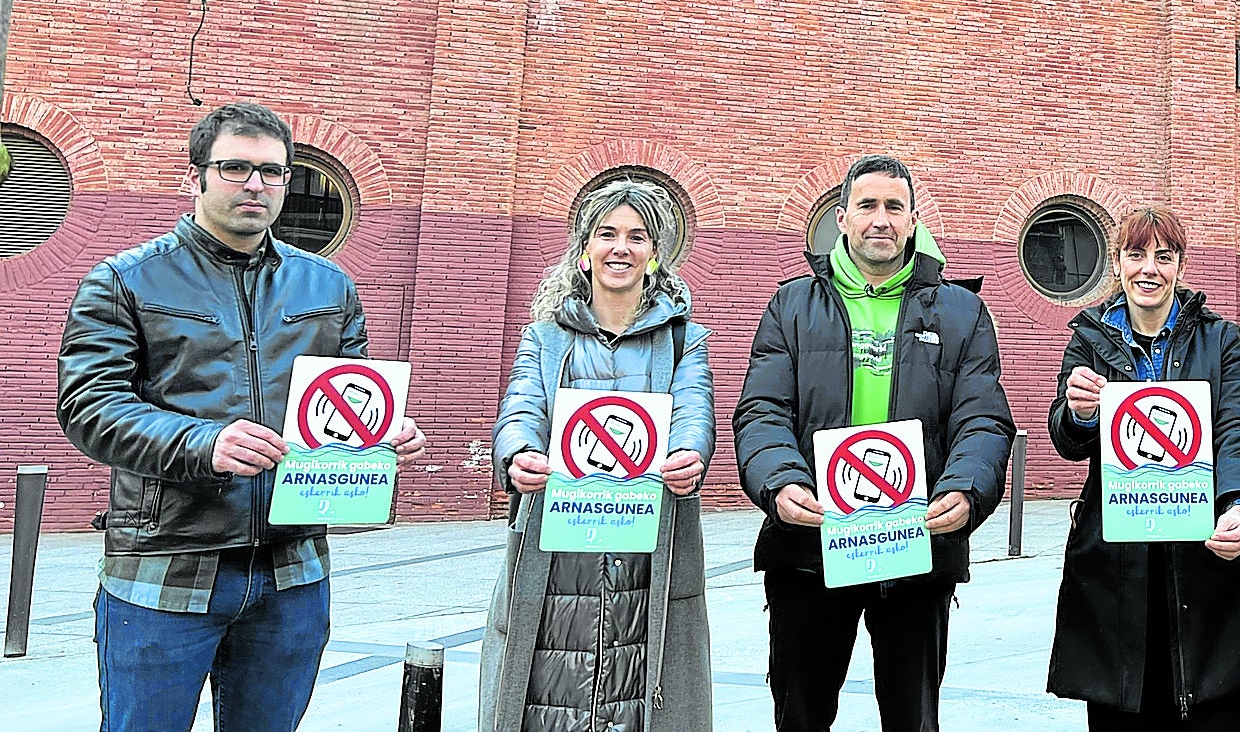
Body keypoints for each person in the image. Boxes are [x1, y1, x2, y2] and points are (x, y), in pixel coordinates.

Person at [56, 102, 428, 731]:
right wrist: (205, 444)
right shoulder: (125, 280)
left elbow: (354, 393)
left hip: (293, 568)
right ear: (195, 175)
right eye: (236, 167)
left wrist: (384, 434)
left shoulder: (328, 287)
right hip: (165, 562)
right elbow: (89, 405)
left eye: (273, 172)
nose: (256, 184)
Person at [733, 154, 1014, 732]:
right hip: (809, 548)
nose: (880, 219)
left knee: (912, 721)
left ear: (913, 220)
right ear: (841, 218)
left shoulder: (963, 313)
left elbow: (982, 419)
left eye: (894, 206)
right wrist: (781, 482)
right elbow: (762, 412)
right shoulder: (790, 306)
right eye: (866, 206)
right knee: (800, 716)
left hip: (917, 548)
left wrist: (966, 490)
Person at [480, 180, 716, 731]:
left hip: (649, 546)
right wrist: (518, 455)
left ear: (654, 253)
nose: (620, 248)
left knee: (643, 690)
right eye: (606, 234)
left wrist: (688, 456)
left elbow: (694, 411)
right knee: (545, 693)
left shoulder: (685, 339)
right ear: (584, 250)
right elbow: (520, 410)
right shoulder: (546, 337)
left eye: (637, 236)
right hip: (559, 551)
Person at [1046, 206, 1240, 730]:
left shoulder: (1222, 340)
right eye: (1136, 255)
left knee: (1220, 710)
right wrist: (1081, 412)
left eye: (1164, 256)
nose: (1148, 269)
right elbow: (1064, 437)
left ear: (1181, 265)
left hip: (1206, 555)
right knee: (1127, 709)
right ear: (1117, 263)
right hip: (1115, 560)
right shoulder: (1088, 339)